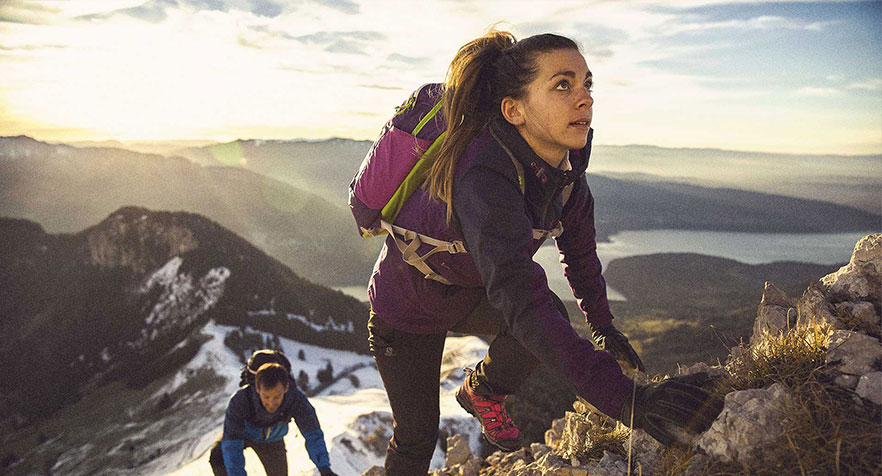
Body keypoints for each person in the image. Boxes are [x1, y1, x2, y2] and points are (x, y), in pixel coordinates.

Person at [357, 30, 723, 475]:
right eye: (563, 85)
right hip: (405, 310)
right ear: (514, 110)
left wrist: (603, 324)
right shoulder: (483, 179)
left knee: (550, 310)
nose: (584, 98)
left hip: (471, 292)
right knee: (416, 437)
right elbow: (521, 301)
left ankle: (481, 390)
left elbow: (581, 252)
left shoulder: (566, 178)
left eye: (588, 83)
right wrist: (629, 400)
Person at [208, 357, 339, 476]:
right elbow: (232, 445)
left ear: (286, 388)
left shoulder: (296, 399)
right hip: (244, 433)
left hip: (273, 439)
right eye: (266, 397)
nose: (271, 403)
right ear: (257, 389)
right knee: (218, 457)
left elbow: (313, 434)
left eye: (277, 397)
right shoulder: (240, 401)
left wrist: (324, 468)